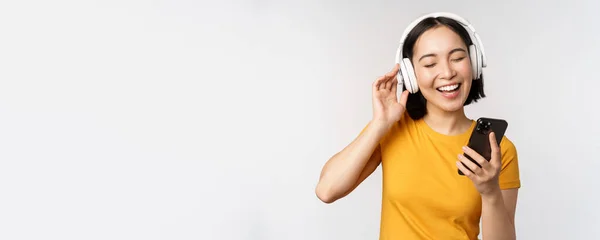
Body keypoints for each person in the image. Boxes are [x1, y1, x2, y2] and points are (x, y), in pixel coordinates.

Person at [315, 12, 521, 240]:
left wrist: (490, 192)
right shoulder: (392, 129)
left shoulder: (499, 149)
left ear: (474, 61)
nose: (447, 72)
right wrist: (380, 123)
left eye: (457, 58)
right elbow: (327, 190)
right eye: (430, 63)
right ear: (411, 75)